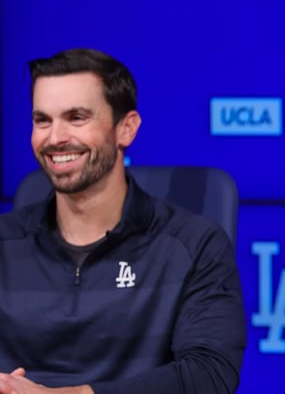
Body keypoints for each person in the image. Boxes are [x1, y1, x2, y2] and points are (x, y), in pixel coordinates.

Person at [0, 48, 246, 394]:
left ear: (126, 129)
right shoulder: (5, 242)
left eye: (76, 118)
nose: (55, 138)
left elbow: (209, 377)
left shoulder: (194, 244)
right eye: (42, 120)